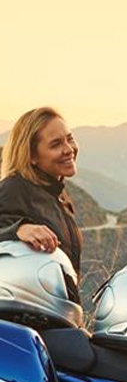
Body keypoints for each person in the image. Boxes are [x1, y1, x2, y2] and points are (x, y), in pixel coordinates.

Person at [0, 108, 82, 301]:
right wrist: (17, 229)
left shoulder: (58, 194)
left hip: (59, 313)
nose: (68, 149)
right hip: (24, 315)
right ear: (31, 156)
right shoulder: (13, 187)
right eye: (55, 144)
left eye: (69, 138)